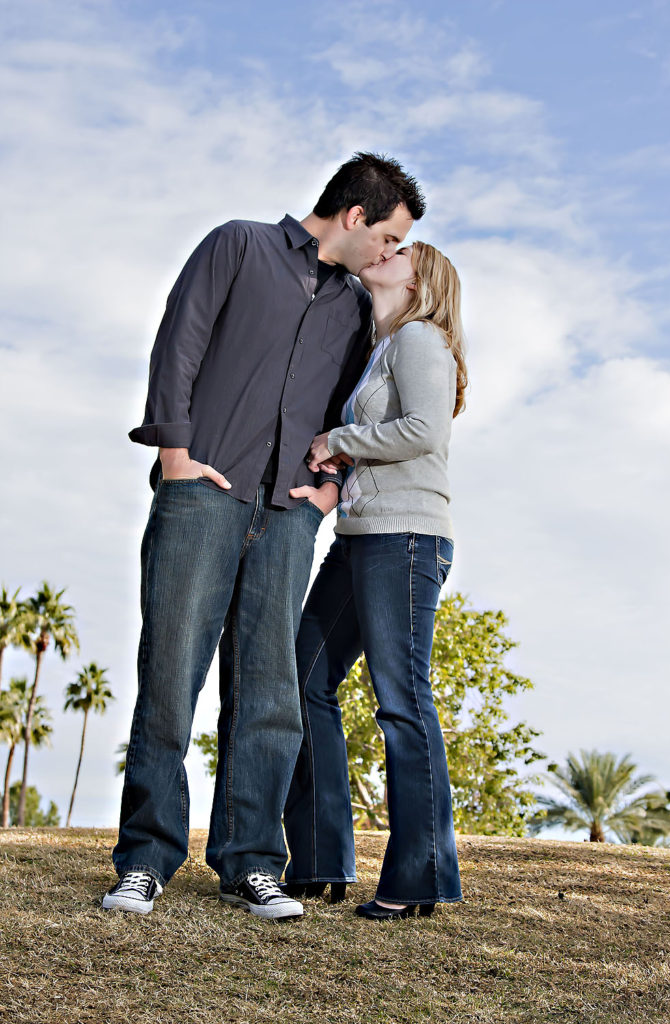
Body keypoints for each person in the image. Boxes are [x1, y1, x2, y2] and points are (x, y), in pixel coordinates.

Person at [102, 153, 425, 919]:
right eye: (386, 237)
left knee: (270, 691)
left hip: (286, 513)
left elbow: (350, 406)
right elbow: (178, 343)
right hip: (203, 494)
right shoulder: (237, 246)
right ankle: (144, 860)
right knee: (170, 677)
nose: (387, 253)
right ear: (354, 217)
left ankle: (251, 861)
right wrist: (175, 454)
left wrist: (326, 490)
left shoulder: (352, 307)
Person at [282, 240, 467, 920]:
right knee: (304, 676)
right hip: (362, 536)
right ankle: (321, 856)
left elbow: (422, 429)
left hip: (406, 538)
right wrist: (336, 484)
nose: (383, 252)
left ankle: (417, 877)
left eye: (400, 250)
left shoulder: (420, 337)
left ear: (421, 279)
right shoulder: (382, 348)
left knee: (400, 699)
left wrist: (337, 441)